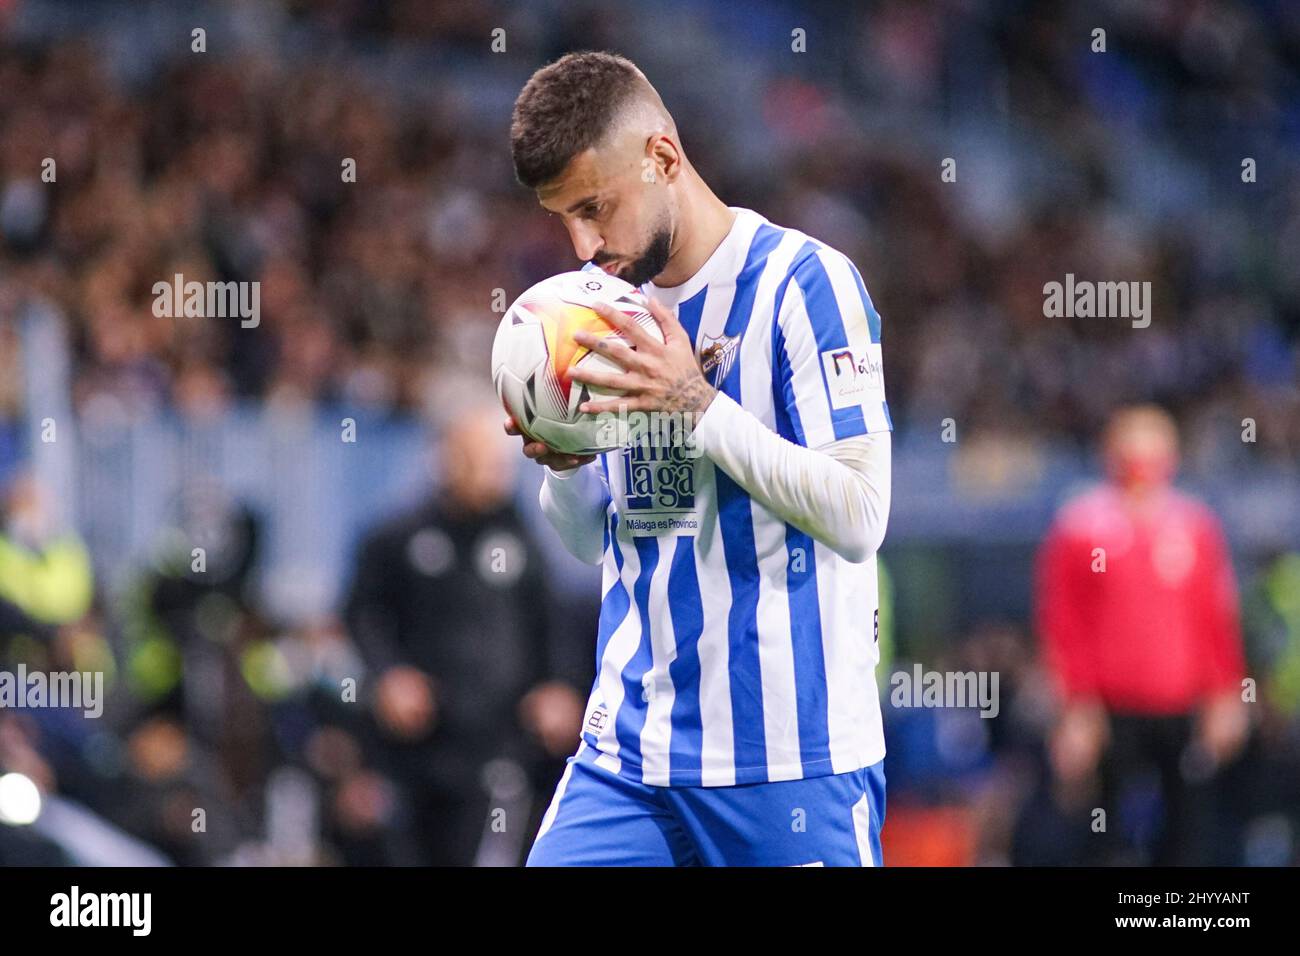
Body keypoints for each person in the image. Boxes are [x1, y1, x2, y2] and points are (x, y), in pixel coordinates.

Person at [507, 51, 893, 866]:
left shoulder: (805, 284)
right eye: (562, 218)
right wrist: (566, 464)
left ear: (663, 157)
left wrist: (698, 406)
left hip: (788, 763)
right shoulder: (597, 309)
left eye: (595, 207)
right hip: (629, 762)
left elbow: (861, 516)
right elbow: (600, 543)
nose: (583, 243)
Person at [344, 396, 587, 866]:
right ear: (448, 458)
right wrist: (389, 674)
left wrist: (558, 686)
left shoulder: (525, 538)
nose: (495, 476)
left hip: (499, 743)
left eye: (500, 465)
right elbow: (362, 614)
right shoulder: (399, 536)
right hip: (417, 744)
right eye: (481, 462)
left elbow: (552, 620)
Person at [1033, 404, 1249, 865]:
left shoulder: (1194, 526)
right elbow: (1062, 624)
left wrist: (1226, 693)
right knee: (1101, 835)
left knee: (1189, 834)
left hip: (1181, 706)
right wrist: (1074, 706)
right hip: (1108, 710)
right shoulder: (1080, 525)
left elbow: (1215, 618)